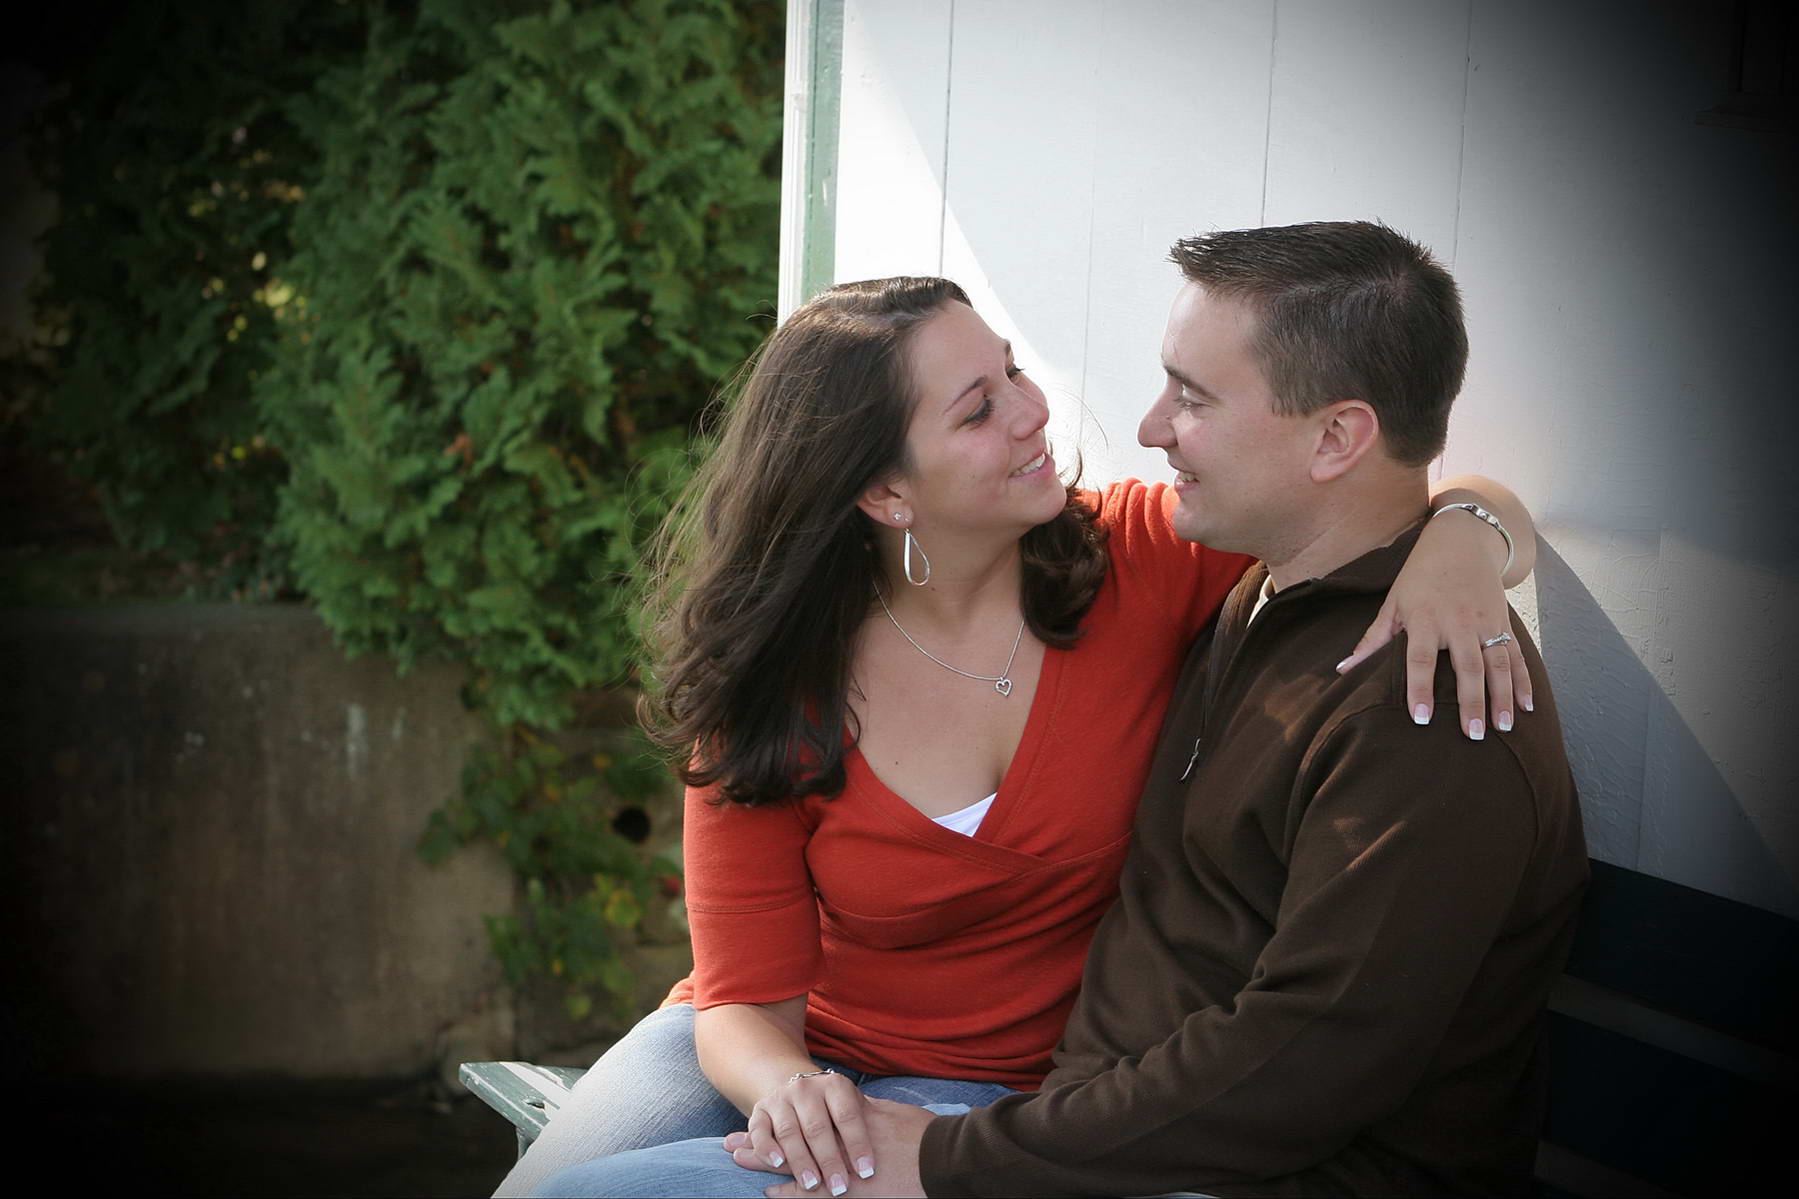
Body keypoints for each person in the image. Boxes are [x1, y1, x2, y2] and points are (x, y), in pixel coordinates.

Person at [507, 263, 1543, 1199]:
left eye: (1009, 371)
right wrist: (789, 1087)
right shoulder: (774, 672)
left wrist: (1463, 536)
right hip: (761, 1050)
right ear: (883, 491)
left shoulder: (1139, 558)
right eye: (977, 409)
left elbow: (1365, 492)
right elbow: (741, 995)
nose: (1033, 411)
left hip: (997, 1091)